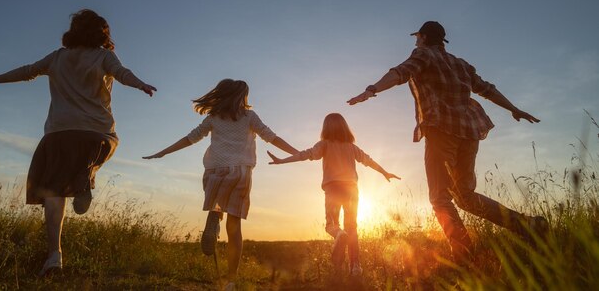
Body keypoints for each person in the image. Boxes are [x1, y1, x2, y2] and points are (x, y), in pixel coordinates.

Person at [0, 9, 157, 276]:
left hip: (58, 134)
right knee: (104, 147)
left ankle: (54, 256)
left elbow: (27, 71)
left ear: (72, 31)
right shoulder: (104, 56)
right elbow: (121, 72)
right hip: (96, 134)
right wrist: (140, 84)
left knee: (54, 193)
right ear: (102, 32)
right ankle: (86, 177)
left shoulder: (57, 57)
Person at [347, 21, 546, 263]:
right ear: (442, 41)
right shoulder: (460, 64)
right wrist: (514, 109)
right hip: (470, 130)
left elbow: (400, 72)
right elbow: (487, 89)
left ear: (422, 37)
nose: (415, 41)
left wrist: (372, 89)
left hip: (442, 129)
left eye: (417, 37)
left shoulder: (422, 54)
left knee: (440, 197)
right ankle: (528, 226)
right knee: (465, 196)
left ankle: (464, 255)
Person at [143, 79, 298, 291]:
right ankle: (231, 280)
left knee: (217, 204)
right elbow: (271, 137)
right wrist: (297, 153)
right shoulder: (249, 117)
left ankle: (215, 216)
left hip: (214, 172)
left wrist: (163, 152)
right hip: (240, 172)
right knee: (234, 228)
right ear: (242, 96)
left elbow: (191, 138)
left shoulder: (214, 118)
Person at [267, 113, 400, 277]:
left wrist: (282, 161)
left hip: (333, 189)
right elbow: (368, 160)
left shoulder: (324, 144)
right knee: (352, 227)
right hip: (352, 189)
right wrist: (384, 172)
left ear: (325, 128)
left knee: (331, 225)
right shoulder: (351, 147)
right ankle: (355, 267)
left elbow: (305, 155)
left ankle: (338, 234)